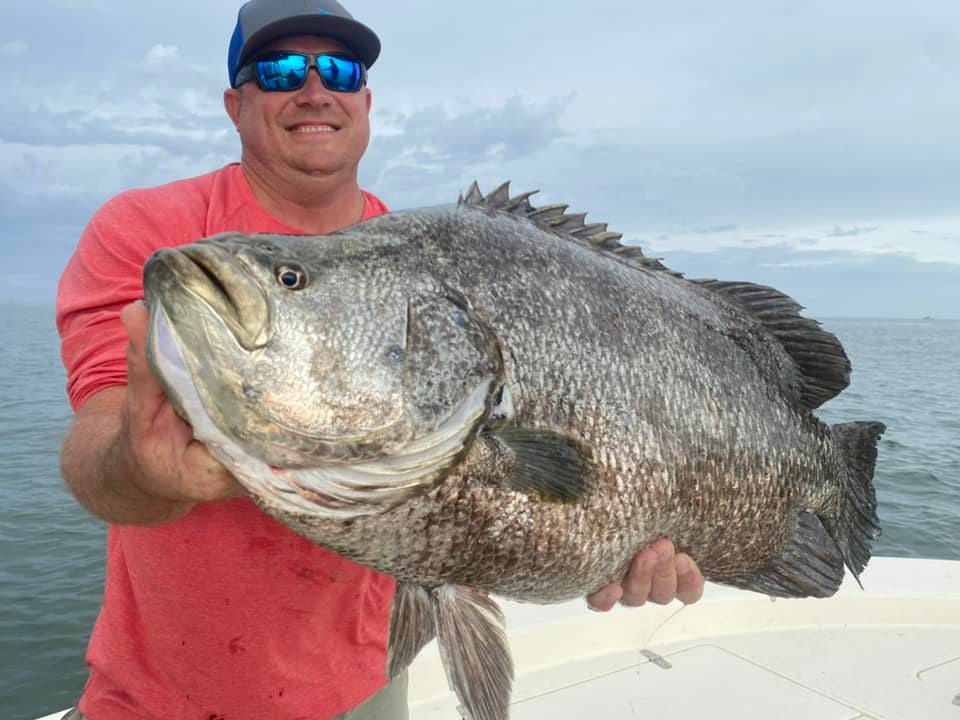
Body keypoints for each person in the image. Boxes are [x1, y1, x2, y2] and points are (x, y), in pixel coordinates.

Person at [55, 1, 706, 718]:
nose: (313, 90)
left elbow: (481, 502)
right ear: (235, 105)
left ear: (364, 100)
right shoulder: (156, 239)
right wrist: (141, 469)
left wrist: (598, 543)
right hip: (158, 701)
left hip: (367, 688)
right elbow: (96, 443)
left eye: (338, 68)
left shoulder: (427, 262)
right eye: (277, 72)